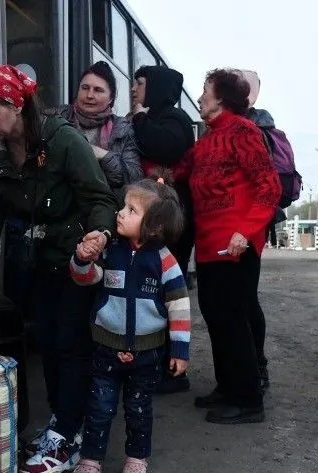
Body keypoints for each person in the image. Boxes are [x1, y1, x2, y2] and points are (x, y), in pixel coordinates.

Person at [0, 64, 118, 473]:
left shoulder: (62, 139)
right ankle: (66, 423)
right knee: (45, 341)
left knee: (70, 343)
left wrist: (98, 237)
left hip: (77, 259)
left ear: (15, 104)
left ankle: (67, 431)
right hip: (38, 261)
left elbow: (99, 197)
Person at [68, 175, 189, 473]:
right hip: (105, 348)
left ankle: (137, 458)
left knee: (138, 409)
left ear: (155, 226)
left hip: (147, 354)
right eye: (123, 206)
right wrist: (82, 260)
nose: (120, 213)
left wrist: (179, 350)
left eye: (131, 210)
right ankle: (90, 459)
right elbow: (86, 279)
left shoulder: (166, 262)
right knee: (98, 407)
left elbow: (179, 307)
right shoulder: (112, 251)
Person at [174, 69, 280, 424]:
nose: (200, 96)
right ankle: (228, 386)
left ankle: (249, 399)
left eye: (205, 90)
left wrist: (246, 231)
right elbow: (179, 172)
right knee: (216, 315)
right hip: (208, 244)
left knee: (234, 318)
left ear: (221, 97)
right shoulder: (206, 139)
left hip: (236, 244)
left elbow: (268, 187)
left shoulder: (244, 132)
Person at [129, 65, 195, 395]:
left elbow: (164, 147)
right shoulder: (158, 115)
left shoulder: (175, 119)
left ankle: (173, 371)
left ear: (155, 87)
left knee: (168, 293)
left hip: (172, 218)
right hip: (158, 215)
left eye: (140, 83)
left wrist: (140, 119)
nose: (134, 89)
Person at [239, 69, 280, 391]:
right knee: (243, 300)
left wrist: (248, 227)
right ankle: (252, 369)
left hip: (248, 229)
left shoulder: (254, 130)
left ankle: (258, 368)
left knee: (245, 301)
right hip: (243, 227)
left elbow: (266, 187)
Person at [53, 61, 143, 204]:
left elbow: (133, 178)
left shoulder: (123, 129)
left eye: (98, 90)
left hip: (103, 210)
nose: (89, 95)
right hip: (58, 207)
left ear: (111, 98)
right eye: (85, 88)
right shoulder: (57, 118)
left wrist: (103, 155)